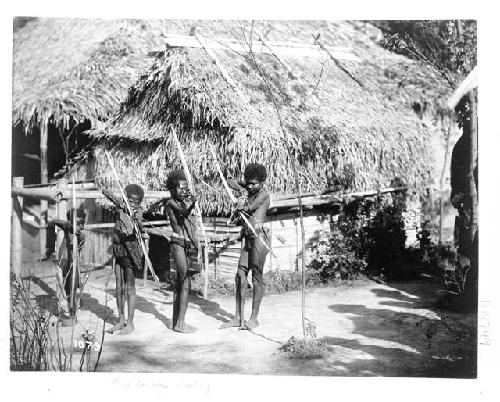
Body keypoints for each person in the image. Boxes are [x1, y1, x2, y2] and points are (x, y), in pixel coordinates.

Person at [220, 163, 270, 330]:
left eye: (254, 183)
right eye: (248, 182)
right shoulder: (250, 189)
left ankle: (253, 318)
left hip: (259, 238)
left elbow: (250, 207)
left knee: (256, 277)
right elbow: (229, 181)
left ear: (262, 181)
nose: (250, 186)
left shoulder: (263, 194)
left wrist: (241, 199)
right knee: (240, 276)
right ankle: (238, 317)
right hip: (248, 238)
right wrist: (242, 186)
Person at [102, 184, 148, 335]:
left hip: (130, 250)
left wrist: (137, 220)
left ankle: (130, 323)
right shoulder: (121, 207)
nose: (133, 204)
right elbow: (106, 191)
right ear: (124, 198)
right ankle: (121, 320)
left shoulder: (138, 211)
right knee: (119, 286)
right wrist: (121, 203)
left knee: (130, 287)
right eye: (130, 201)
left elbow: (139, 224)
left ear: (140, 203)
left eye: (136, 202)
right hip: (118, 249)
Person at [163, 170, 200, 333]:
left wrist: (190, 202)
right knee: (185, 282)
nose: (184, 191)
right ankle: (180, 323)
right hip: (178, 243)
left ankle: (175, 321)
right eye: (181, 188)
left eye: (186, 189)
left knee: (180, 283)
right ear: (172, 190)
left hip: (186, 245)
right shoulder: (171, 203)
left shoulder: (183, 203)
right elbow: (183, 213)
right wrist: (193, 203)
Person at [52, 209, 86, 319]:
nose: (81, 226)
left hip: (73, 263)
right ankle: (67, 309)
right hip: (64, 262)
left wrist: (77, 233)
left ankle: (72, 313)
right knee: (66, 288)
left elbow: (80, 238)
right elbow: (54, 220)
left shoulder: (81, 235)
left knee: (73, 289)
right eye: (78, 223)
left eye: (82, 224)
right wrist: (67, 225)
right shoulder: (67, 228)